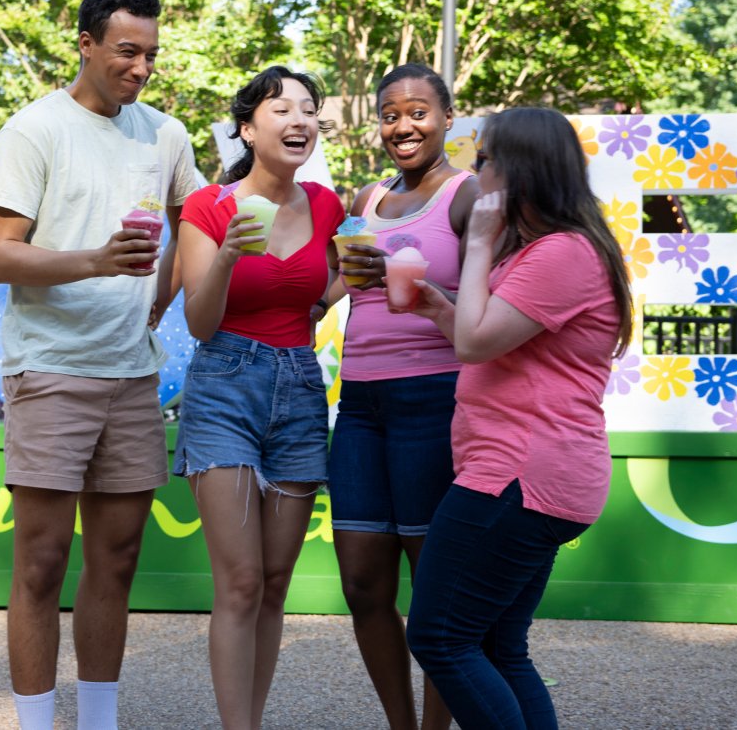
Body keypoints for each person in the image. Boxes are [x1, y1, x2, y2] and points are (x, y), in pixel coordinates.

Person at [0, 0, 198, 730]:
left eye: (151, 55)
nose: (140, 68)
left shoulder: (165, 135)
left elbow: (195, 227)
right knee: (40, 565)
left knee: (117, 562)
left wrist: (161, 302)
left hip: (133, 377)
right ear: (86, 44)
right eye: (127, 52)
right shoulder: (33, 131)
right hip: (49, 370)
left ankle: (98, 723)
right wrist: (100, 262)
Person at [401, 107, 634, 729]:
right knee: (500, 648)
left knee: (441, 639)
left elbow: (477, 346)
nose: (476, 175)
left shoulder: (563, 254)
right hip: (533, 475)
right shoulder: (555, 250)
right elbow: (488, 338)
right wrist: (438, 309)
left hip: (517, 476)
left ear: (521, 168)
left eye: (485, 162)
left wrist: (477, 242)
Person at [173, 65, 344, 729]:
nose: (299, 120)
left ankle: (255, 717)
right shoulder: (208, 208)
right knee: (240, 581)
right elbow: (198, 322)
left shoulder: (326, 206)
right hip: (223, 387)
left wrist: (347, 286)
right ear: (248, 127)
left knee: (275, 583)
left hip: (299, 388)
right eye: (282, 109)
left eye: (309, 109)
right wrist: (223, 257)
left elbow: (308, 306)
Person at [317, 63, 478, 730]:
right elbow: (332, 291)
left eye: (417, 112)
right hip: (359, 405)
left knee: (433, 592)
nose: (402, 126)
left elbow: (487, 305)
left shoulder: (469, 197)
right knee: (361, 583)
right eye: (390, 114)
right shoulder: (365, 200)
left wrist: (409, 278)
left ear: (446, 119)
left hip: (434, 399)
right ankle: (400, 724)